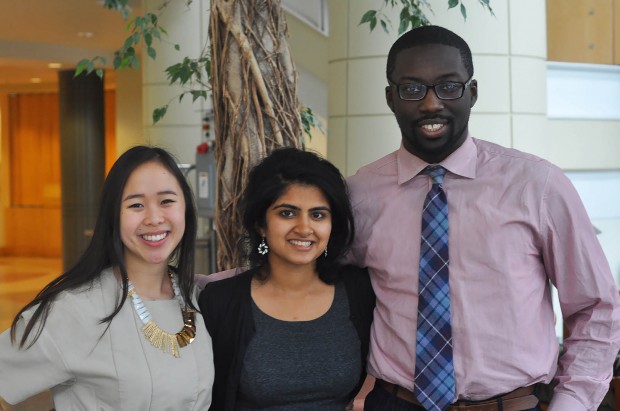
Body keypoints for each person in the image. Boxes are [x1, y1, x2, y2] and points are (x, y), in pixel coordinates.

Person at [345, 25, 620, 411]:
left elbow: (596, 305)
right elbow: (303, 276)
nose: (430, 104)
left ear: (472, 92)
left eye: (448, 86)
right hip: (395, 402)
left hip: (511, 404)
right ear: (390, 98)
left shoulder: (536, 184)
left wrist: (572, 402)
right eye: (411, 89)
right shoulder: (357, 195)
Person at [0, 146, 214, 410]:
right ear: (114, 216)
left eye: (167, 201)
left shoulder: (195, 298)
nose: (155, 218)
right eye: (136, 205)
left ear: (186, 210)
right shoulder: (75, 309)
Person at [199, 147, 375, 411]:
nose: (304, 228)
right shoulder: (220, 301)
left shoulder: (359, 290)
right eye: (287, 213)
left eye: (318, 215)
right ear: (261, 222)